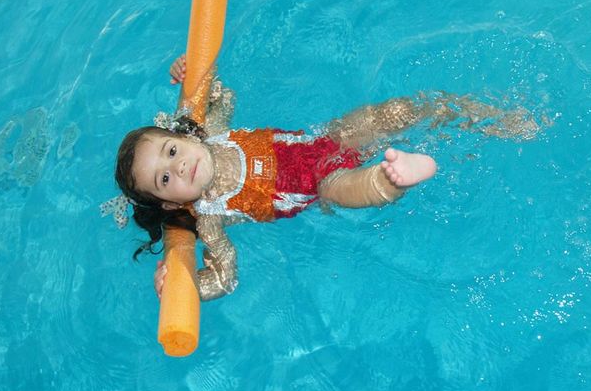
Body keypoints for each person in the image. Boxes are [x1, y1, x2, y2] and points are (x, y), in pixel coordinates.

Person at [108, 55, 537, 302]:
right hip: (318, 185)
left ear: (182, 134)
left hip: (326, 141)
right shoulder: (208, 216)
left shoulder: (214, 132)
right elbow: (226, 276)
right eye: (164, 179)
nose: (179, 166)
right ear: (168, 204)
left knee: (396, 112)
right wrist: (186, 288)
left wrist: (193, 74)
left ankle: (482, 115)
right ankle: (396, 178)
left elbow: (221, 93)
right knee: (347, 190)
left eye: (171, 151)